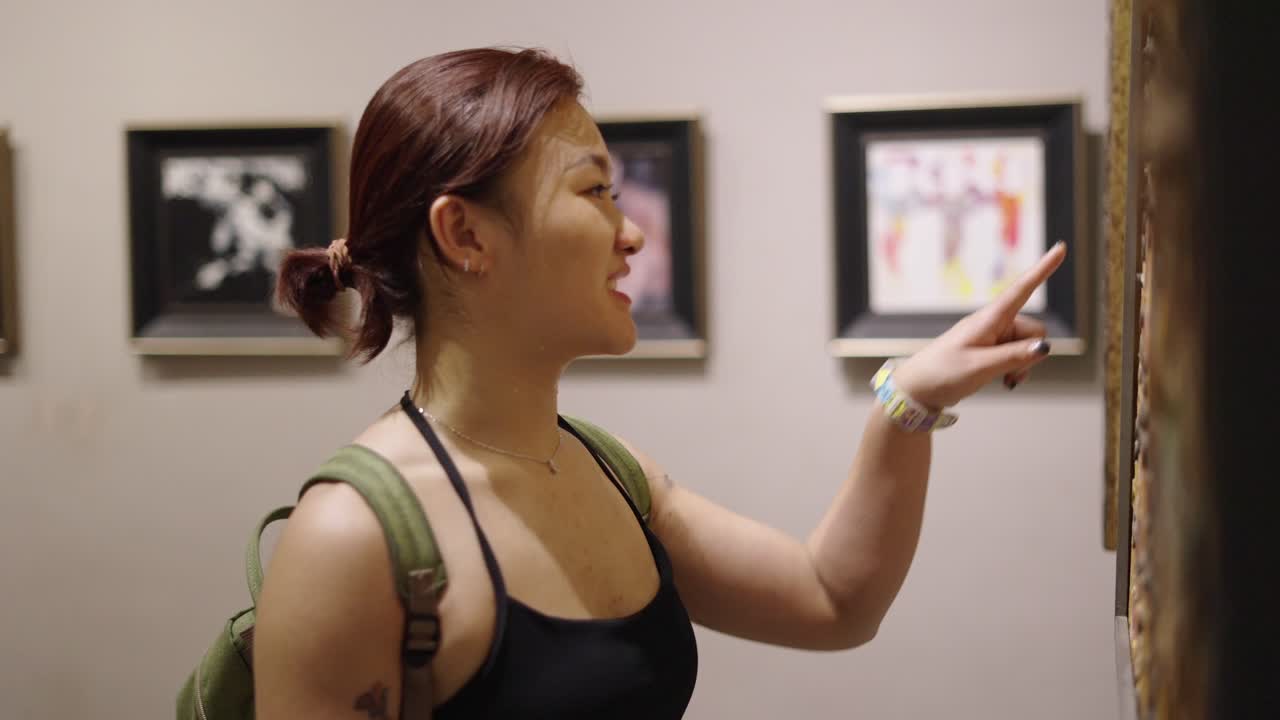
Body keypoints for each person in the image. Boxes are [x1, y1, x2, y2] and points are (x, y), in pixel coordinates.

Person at [261, 47, 1065, 719]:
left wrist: (909, 402)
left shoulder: (612, 473)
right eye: (593, 192)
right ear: (465, 233)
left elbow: (832, 600)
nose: (634, 233)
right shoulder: (352, 540)